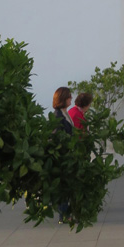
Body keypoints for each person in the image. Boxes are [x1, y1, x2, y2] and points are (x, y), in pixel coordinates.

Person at [51, 86, 74, 222]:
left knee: (67, 186)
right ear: (63, 99)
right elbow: (57, 136)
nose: (71, 98)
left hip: (68, 155)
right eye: (69, 96)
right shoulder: (57, 116)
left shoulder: (65, 114)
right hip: (62, 156)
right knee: (64, 187)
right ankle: (64, 215)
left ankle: (66, 214)